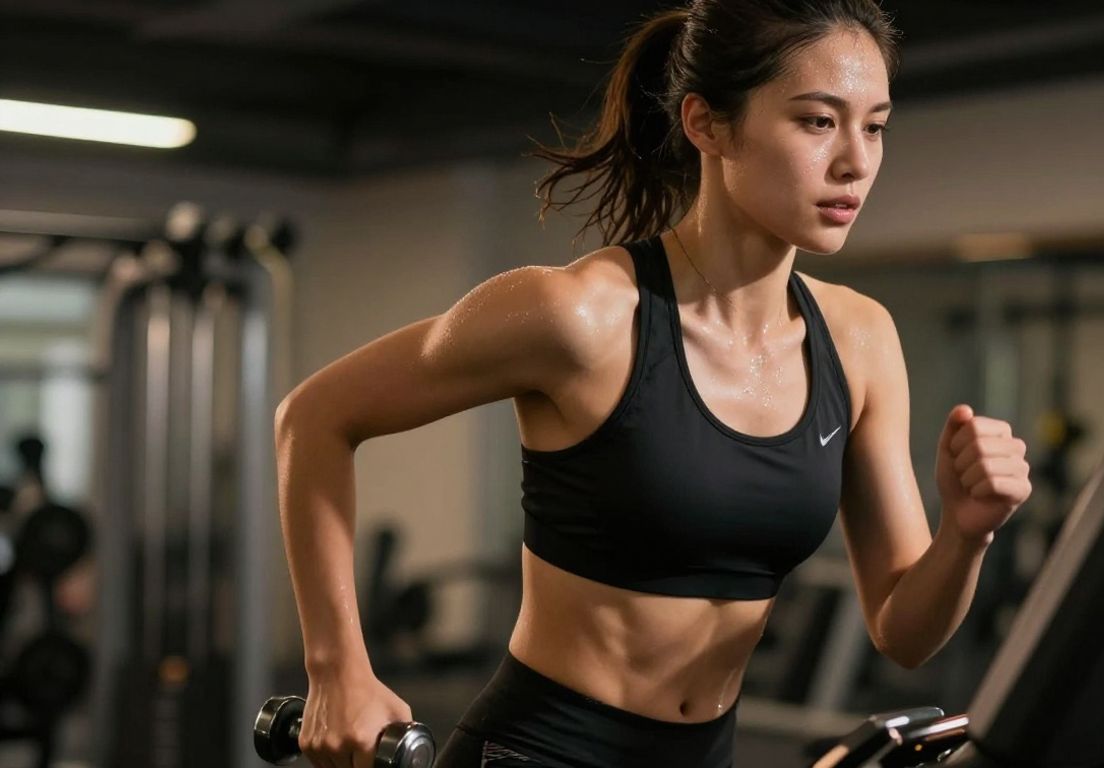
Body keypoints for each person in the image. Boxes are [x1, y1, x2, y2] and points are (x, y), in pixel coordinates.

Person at [274, 2, 1033, 766]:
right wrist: (338, 668)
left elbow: (903, 631)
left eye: (874, 126)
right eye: (817, 122)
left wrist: (968, 534)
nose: (856, 162)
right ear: (707, 125)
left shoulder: (861, 339)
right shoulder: (579, 316)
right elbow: (314, 417)